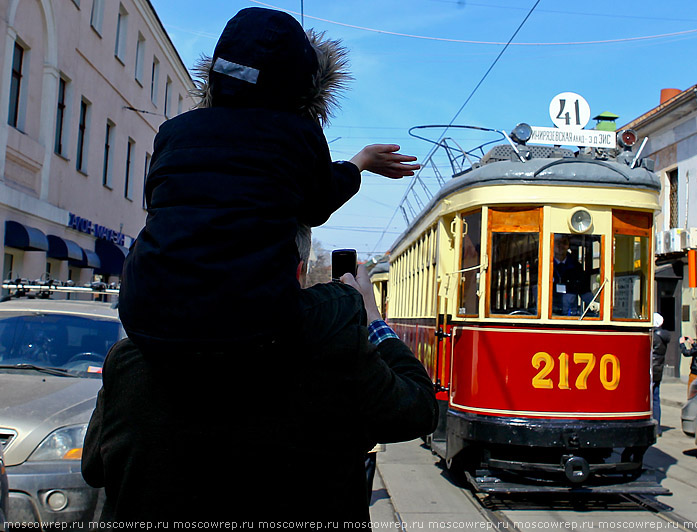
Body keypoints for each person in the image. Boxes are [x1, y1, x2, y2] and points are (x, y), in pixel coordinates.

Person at [82, 8, 435, 525]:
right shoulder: (329, 347)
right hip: (266, 327)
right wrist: (370, 318)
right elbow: (416, 409)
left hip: (155, 319)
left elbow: (96, 467)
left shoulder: (131, 364)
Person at [551, 234, 592, 316]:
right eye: (558, 243)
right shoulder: (544, 265)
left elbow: (584, 291)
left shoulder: (576, 267)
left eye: (564, 243)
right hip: (551, 313)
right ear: (551, 244)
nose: (561, 246)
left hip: (571, 316)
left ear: (568, 245)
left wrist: (595, 304)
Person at [651, 312, 671, 436]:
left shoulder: (654, 337)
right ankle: (657, 426)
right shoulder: (664, 337)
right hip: (658, 370)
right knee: (656, 399)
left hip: (651, 370)